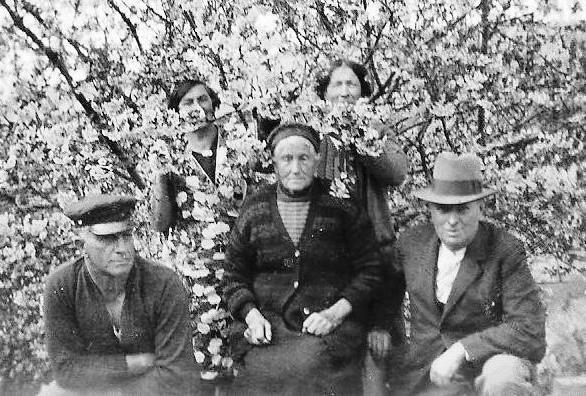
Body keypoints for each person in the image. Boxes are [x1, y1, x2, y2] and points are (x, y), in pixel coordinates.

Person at [221, 123, 384, 395]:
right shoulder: (255, 207)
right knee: (259, 373)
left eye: (303, 158)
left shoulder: (342, 206)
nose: (295, 168)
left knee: (307, 369)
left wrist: (334, 314)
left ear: (317, 160)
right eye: (287, 159)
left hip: (327, 326)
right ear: (274, 163)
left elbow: (370, 271)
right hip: (268, 326)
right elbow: (234, 275)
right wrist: (252, 317)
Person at [385, 152, 546, 396]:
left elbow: (529, 330)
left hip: (492, 361)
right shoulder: (411, 244)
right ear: (430, 209)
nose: (452, 221)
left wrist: (462, 349)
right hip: (432, 370)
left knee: (502, 381)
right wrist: (377, 327)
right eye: (443, 209)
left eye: (462, 210)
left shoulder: (505, 250)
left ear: (481, 208)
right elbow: (382, 294)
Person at [42, 194, 198, 395]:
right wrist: (136, 363)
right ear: (82, 240)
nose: (122, 249)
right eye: (107, 238)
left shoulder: (163, 283)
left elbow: (177, 374)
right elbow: (66, 370)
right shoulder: (62, 285)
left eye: (126, 235)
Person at [316, 59, 409, 394]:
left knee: (380, 345)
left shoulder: (377, 129)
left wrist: (360, 135)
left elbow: (396, 172)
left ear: (362, 92)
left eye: (351, 84)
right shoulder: (316, 132)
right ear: (325, 94)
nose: (344, 92)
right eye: (337, 85)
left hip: (374, 251)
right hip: (331, 255)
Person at [151, 79, 245, 232]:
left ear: (213, 103)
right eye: (188, 103)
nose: (197, 108)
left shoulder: (238, 142)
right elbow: (159, 224)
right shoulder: (168, 155)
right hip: (194, 250)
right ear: (176, 113)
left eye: (202, 99)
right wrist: (161, 173)